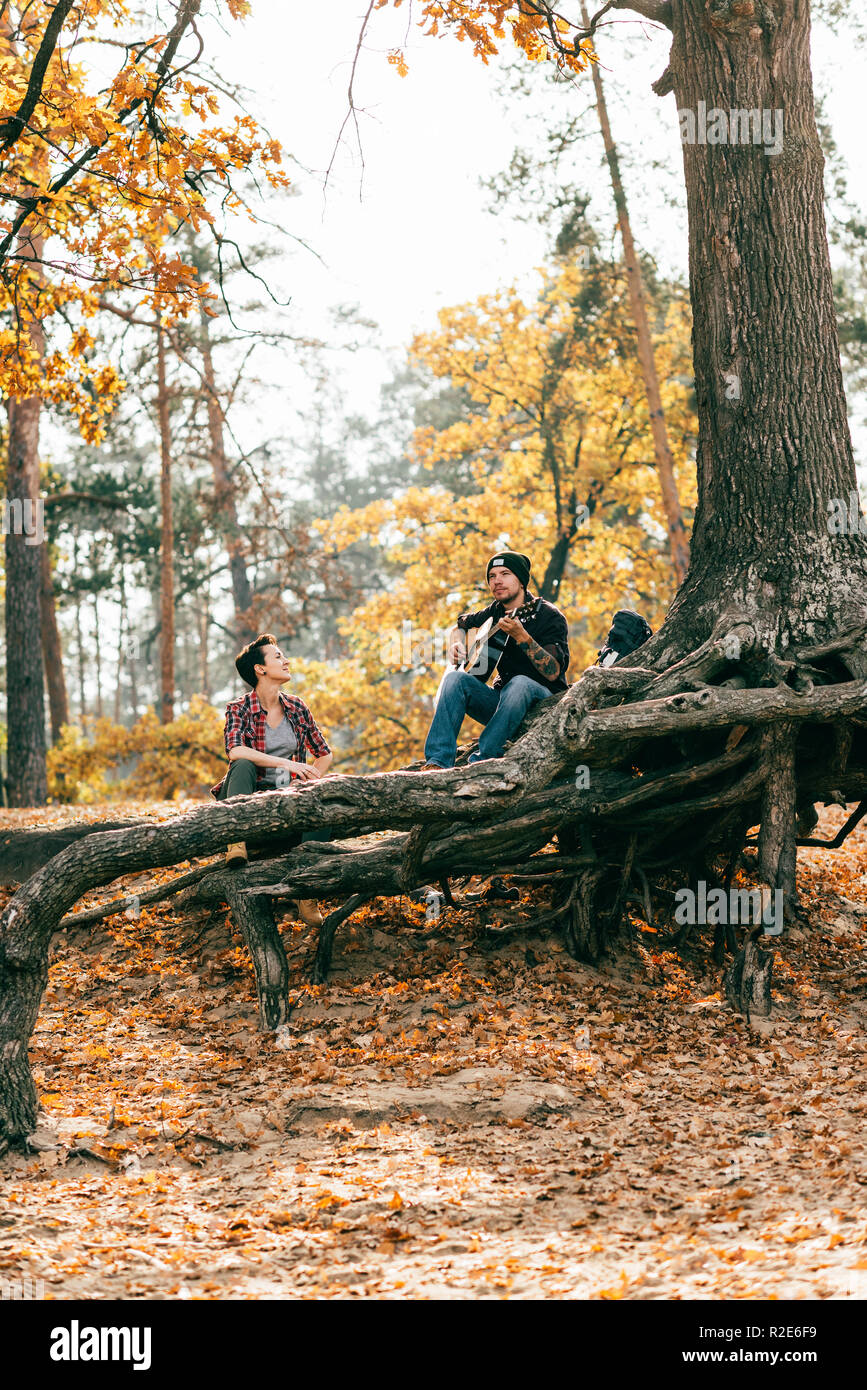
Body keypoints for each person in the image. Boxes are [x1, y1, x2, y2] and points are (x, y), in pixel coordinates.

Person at [211, 633, 333, 924]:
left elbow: (324, 754)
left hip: (287, 797)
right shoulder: (238, 708)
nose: (286, 660)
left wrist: (305, 778)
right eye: (277, 656)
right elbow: (235, 750)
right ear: (260, 669)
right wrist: (288, 764)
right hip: (248, 798)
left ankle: (307, 890)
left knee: (324, 790)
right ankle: (235, 842)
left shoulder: (297, 707)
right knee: (242, 764)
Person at [422, 551, 570, 769]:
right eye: (492, 576)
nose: (497, 581)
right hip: (503, 706)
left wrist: (523, 637)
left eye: (505, 574)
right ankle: (438, 761)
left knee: (519, 683)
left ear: (521, 581)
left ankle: (484, 762)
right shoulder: (495, 611)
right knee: (454, 679)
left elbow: (553, 672)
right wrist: (457, 644)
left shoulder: (548, 615)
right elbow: (460, 624)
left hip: (544, 706)